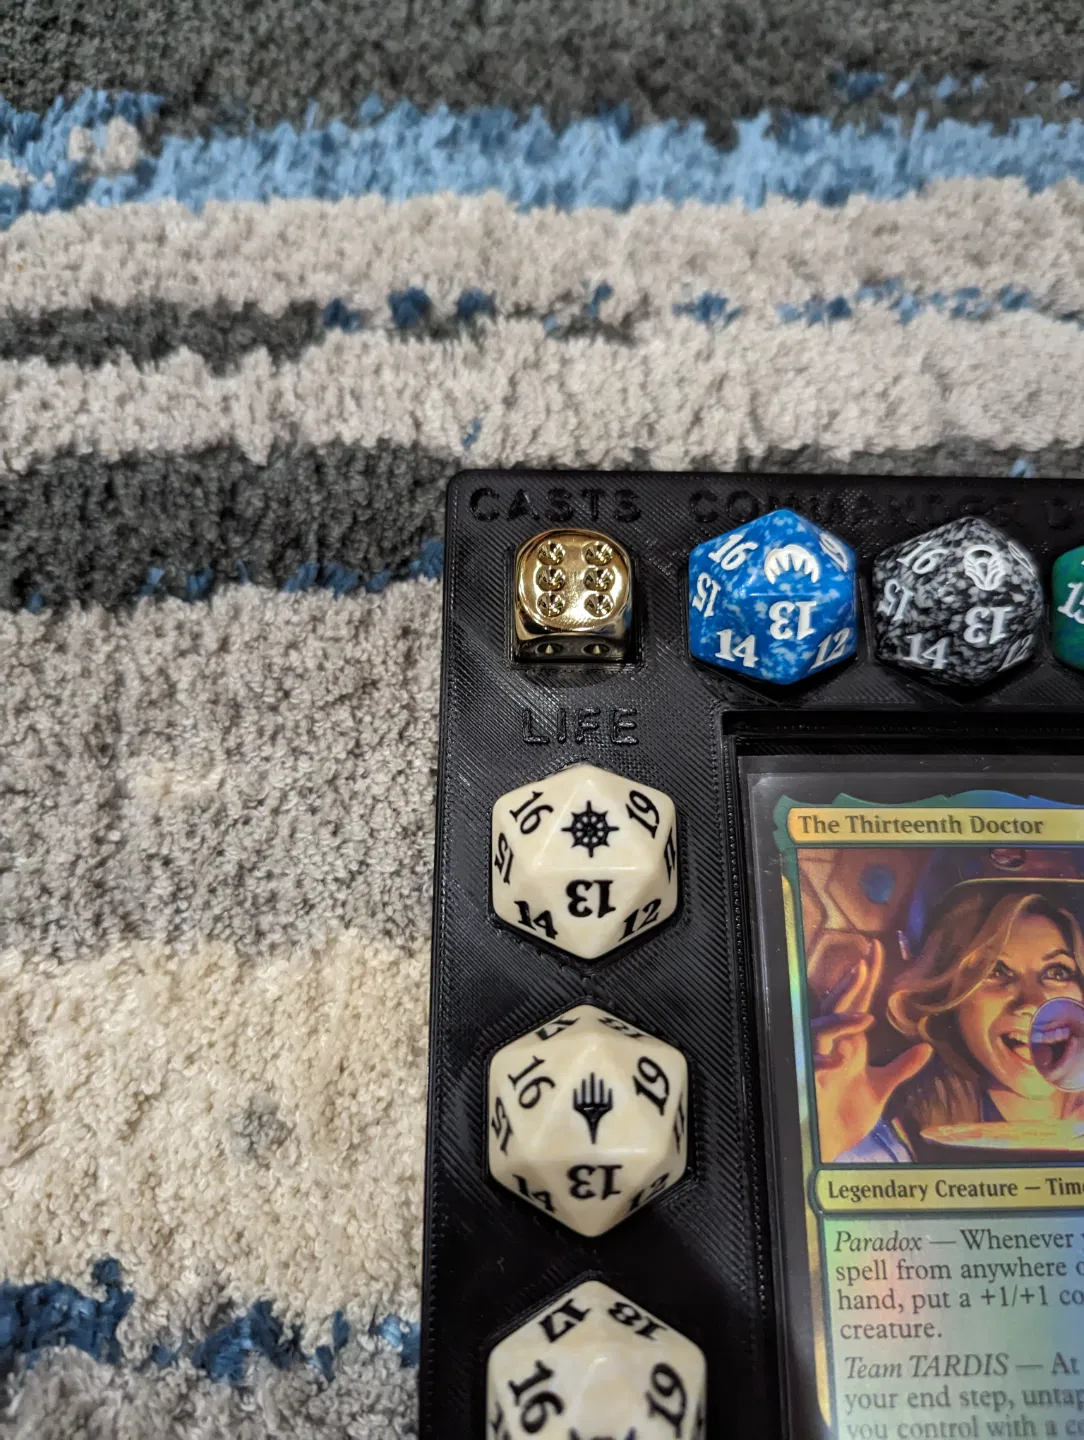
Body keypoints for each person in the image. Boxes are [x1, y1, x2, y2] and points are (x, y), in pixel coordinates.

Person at [812, 883, 1084, 1163]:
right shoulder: (902, 1135)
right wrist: (825, 1142)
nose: (1035, 1002)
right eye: (994, 971)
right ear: (950, 999)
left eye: (1057, 972)